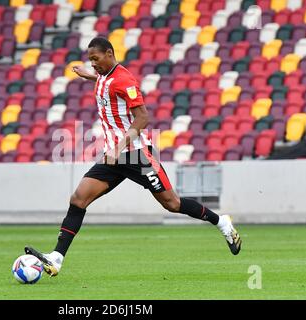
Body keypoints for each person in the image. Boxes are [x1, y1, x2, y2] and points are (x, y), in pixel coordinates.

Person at [25, 37, 241, 276]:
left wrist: (121, 146)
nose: (93, 63)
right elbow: (106, 83)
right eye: (90, 60)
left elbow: (142, 117)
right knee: (78, 199)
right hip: (114, 157)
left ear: (109, 53)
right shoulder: (105, 76)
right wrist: (89, 75)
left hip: (137, 156)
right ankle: (56, 258)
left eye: (96, 59)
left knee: (172, 203)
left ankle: (221, 222)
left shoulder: (125, 80)